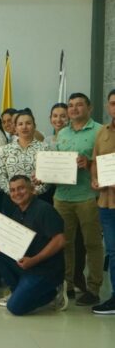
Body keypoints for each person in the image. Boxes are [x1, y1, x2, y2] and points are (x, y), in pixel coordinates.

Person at [0, 175, 67, 316]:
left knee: (15, 308)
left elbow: (60, 240)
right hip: (27, 265)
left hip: (45, 270)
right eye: (12, 190)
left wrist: (34, 260)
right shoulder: (17, 211)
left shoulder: (44, 209)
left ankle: (53, 291)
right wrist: (0, 245)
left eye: (21, 188)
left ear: (32, 189)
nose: (16, 193)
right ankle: (17, 290)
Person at [53, 93, 103, 306]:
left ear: (89, 108)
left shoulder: (100, 131)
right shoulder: (62, 132)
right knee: (65, 243)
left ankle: (93, 288)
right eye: (71, 105)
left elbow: (108, 162)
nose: (74, 109)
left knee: (92, 244)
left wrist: (89, 163)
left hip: (88, 197)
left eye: (79, 105)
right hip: (62, 197)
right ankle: (68, 285)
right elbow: (55, 162)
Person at [91, 89, 115, 314]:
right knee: (113, 252)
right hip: (107, 204)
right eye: (113, 103)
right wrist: (95, 179)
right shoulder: (102, 132)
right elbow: (95, 162)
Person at [0, 110, 49, 196]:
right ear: (15, 128)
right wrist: (12, 192)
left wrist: (36, 192)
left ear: (34, 126)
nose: (24, 127)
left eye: (28, 123)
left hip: (36, 197)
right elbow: (0, 174)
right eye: (20, 124)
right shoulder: (6, 149)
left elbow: (49, 175)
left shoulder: (44, 148)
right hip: (11, 197)